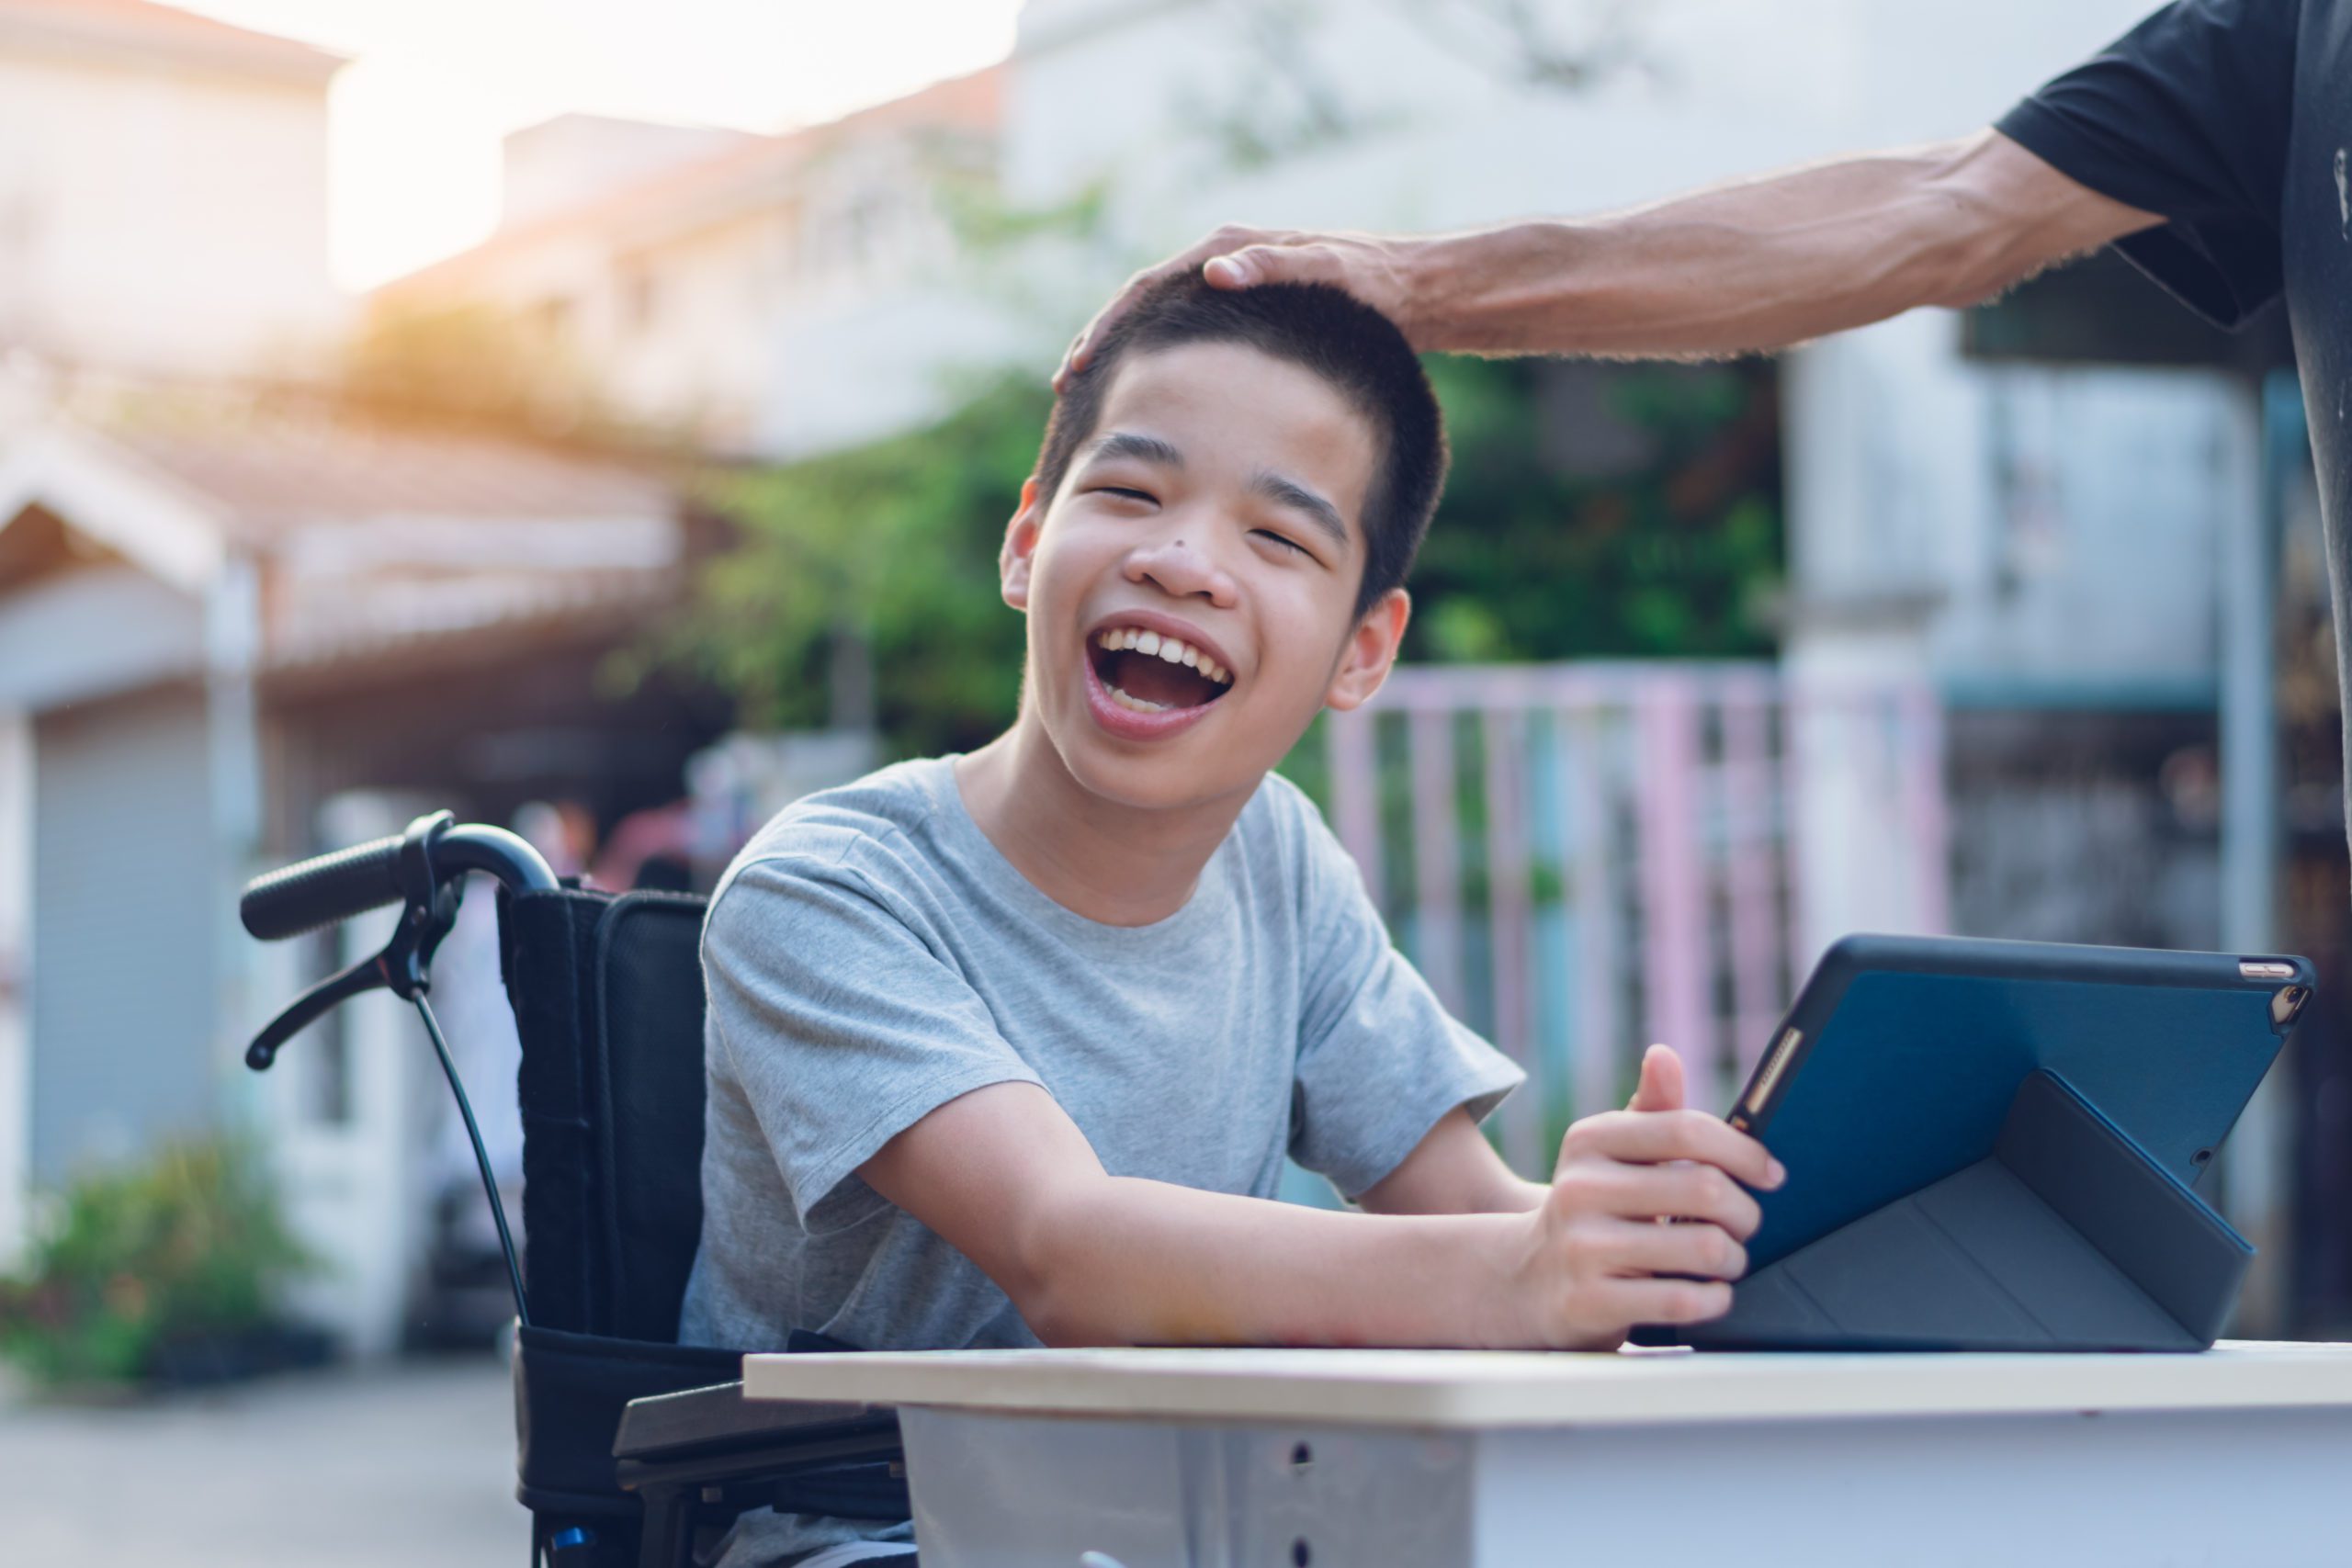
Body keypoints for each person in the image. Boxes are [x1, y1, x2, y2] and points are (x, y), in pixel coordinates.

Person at [680, 275, 1782, 1567]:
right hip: (858, 1527)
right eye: (1132, 495)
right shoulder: (828, 886)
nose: (1185, 560)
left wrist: (1642, 1244)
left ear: (1363, 652)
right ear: (1029, 539)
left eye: (1279, 538)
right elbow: (1065, 1250)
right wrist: (1522, 1272)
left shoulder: (1283, 864)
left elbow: (1468, 1214)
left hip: (1188, 1521)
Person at [1067, 2, 2352, 827]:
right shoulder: (2285, 37)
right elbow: (1943, 208)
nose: (1185, 562)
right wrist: (1417, 285)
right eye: (1129, 491)